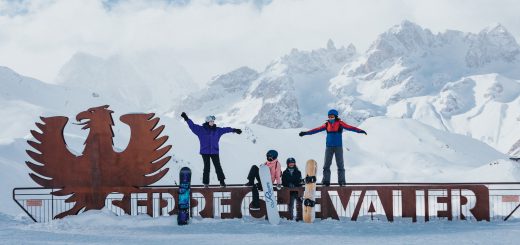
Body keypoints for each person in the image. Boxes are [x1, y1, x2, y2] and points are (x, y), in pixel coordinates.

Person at [298, 109, 367, 186]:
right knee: (326, 165)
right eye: (329, 116)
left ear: (336, 116)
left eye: (332, 116)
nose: (330, 117)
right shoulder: (326, 124)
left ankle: (342, 182)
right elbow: (316, 130)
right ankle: (326, 182)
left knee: (340, 165)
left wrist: (360, 131)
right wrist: (305, 133)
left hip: (338, 147)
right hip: (329, 147)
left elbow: (350, 127)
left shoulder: (340, 123)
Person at [181, 112, 242, 187]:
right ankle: (206, 183)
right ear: (207, 121)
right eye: (211, 121)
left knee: (218, 166)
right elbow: (192, 126)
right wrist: (186, 118)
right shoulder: (201, 130)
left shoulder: (217, 130)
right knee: (207, 167)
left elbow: (226, 129)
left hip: (214, 151)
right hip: (205, 152)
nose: (212, 122)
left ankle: (222, 182)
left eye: (213, 121)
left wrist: (234, 130)